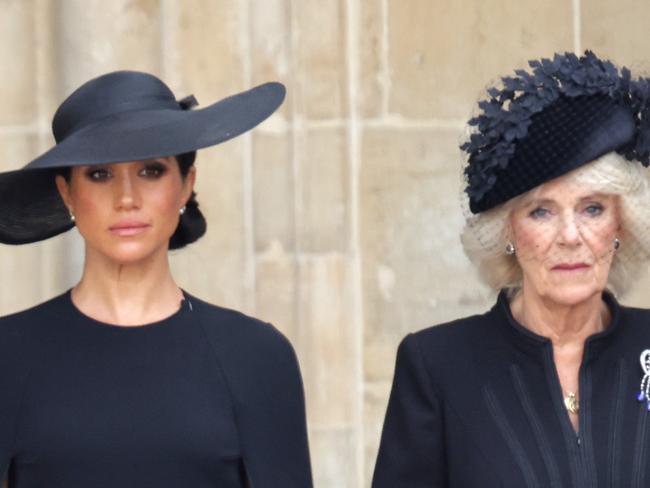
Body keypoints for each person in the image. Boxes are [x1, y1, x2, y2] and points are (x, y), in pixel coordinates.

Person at [0, 70, 312, 487]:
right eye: (99, 173)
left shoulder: (255, 356)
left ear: (186, 186)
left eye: (150, 170)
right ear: (67, 193)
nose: (126, 198)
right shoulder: (9, 355)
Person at [372, 51, 650, 487]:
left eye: (592, 208)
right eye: (541, 212)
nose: (571, 236)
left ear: (621, 224)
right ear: (508, 233)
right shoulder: (437, 367)